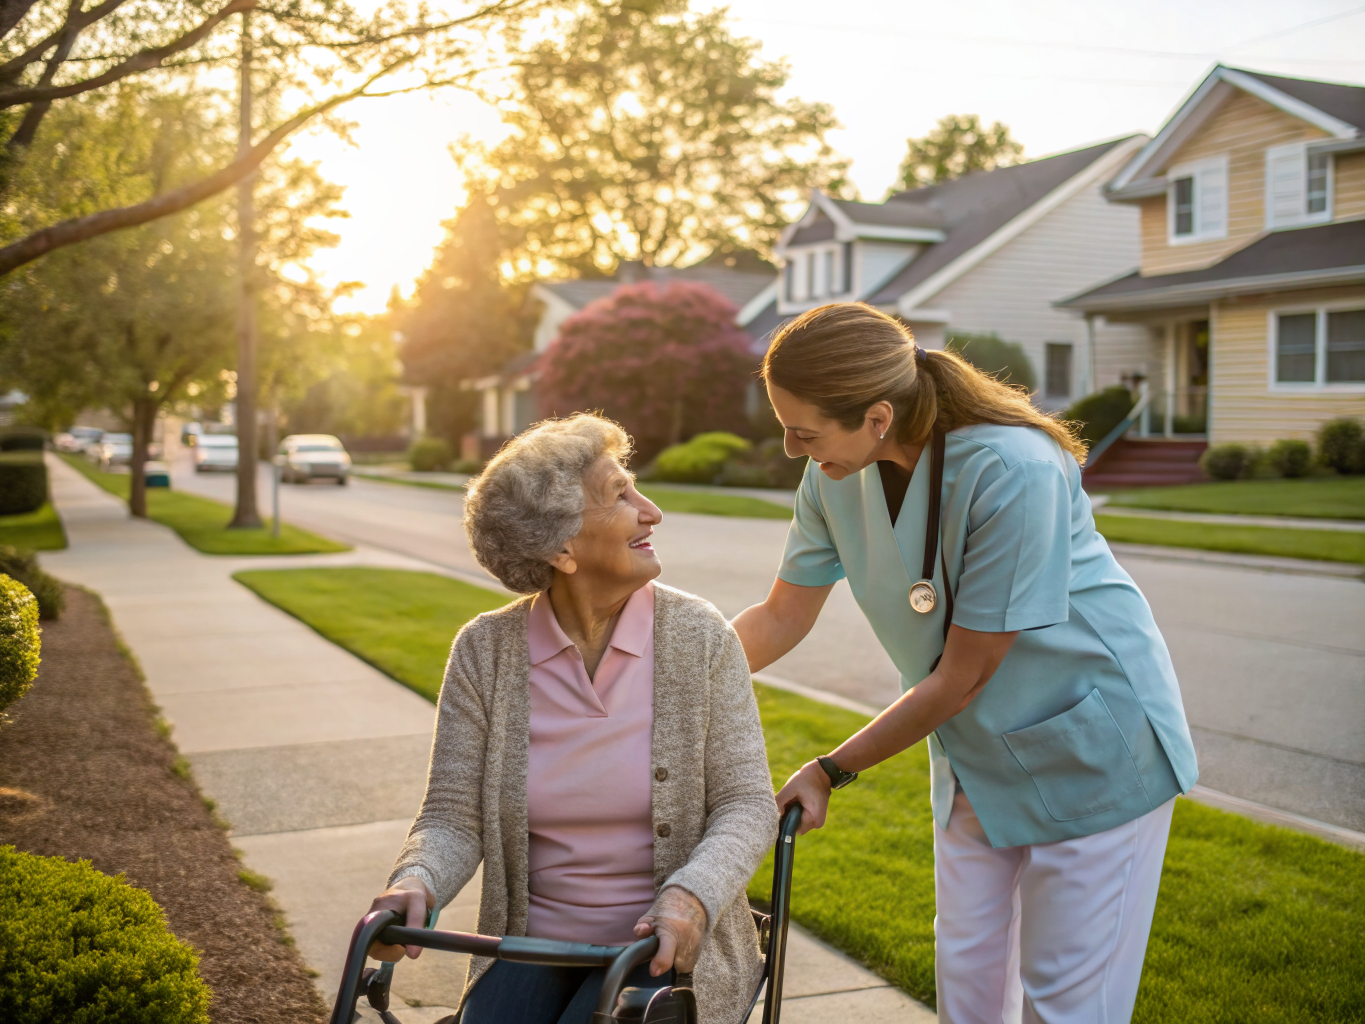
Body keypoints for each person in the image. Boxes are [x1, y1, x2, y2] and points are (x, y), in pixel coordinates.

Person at [732, 304, 1197, 1024]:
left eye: (805, 431)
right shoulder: (833, 476)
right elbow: (779, 618)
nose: (792, 449)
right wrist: (668, 677)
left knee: (1067, 1005)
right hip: (974, 758)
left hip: (1091, 750)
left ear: (877, 415)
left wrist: (829, 770)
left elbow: (964, 674)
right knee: (968, 993)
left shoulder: (1013, 469)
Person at [366, 413, 777, 1024]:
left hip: (661, 951)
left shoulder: (700, 637)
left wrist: (692, 897)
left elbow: (748, 803)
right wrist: (416, 883)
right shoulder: (485, 652)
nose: (652, 510)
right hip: (529, 943)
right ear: (561, 549)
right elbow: (453, 816)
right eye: (620, 496)